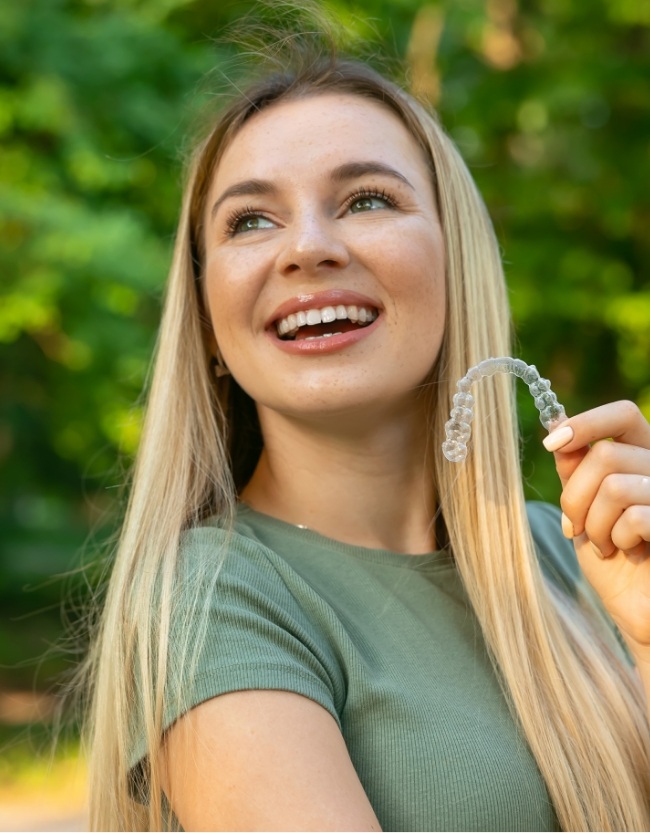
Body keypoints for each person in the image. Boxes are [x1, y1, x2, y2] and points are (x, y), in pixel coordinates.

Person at [83, 28, 650, 832]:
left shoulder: (578, 551)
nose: (308, 248)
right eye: (249, 221)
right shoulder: (213, 598)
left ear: (458, 261)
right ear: (208, 322)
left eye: (367, 200)